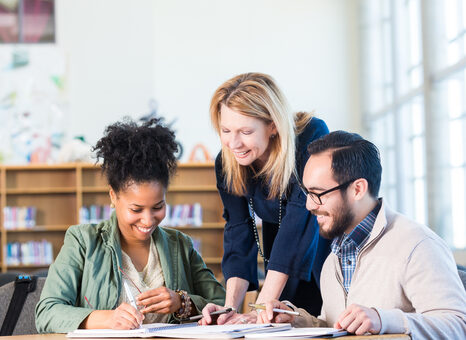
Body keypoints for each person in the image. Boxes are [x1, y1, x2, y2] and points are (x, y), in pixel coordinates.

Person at [260, 131, 466, 338]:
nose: (309, 205)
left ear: (357, 189)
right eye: (307, 193)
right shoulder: (332, 260)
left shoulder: (418, 245)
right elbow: (339, 327)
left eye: (318, 194)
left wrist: (382, 319)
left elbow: (458, 325)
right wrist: (297, 320)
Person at [35, 118, 225, 333]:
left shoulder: (180, 245)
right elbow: (47, 312)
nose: (148, 220)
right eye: (136, 209)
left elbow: (223, 305)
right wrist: (106, 319)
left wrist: (183, 303)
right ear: (113, 196)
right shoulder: (83, 242)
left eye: (158, 207)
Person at [201, 73, 331, 325]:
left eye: (245, 131)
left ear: (273, 125)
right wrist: (229, 308)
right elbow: (238, 231)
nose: (233, 143)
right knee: (277, 323)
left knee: (320, 320)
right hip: (280, 254)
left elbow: (299, 219)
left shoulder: (310, 136)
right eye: (226, 130)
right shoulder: (227, 161)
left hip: (324, 246)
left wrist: (260, 307)